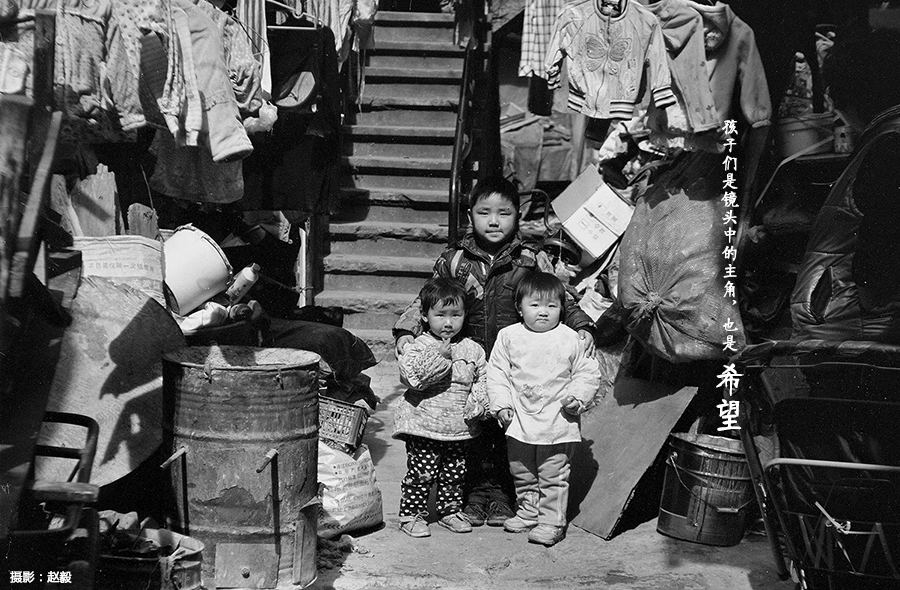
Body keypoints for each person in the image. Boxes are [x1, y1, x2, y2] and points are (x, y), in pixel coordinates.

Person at [393, 175, 596, 527]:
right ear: (470, 214)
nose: (493, 221)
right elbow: (428, 296)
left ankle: (503, 493)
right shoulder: (455, 260)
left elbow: (559, 296)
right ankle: (472, 494)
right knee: (471, 426)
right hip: (466, 357)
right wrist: (407, 328)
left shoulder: (530, 259)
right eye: (484, 212)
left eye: (503, 213)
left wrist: (582, 325)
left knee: (510, 427)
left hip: (517, 359)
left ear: (517, 215)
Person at [487, 272, 600, 546]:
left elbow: (588, 372)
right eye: (534, 305)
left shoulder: (571, 338)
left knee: (553, 474)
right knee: (522, 470)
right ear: (519, 307)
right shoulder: (508, 336)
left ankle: (552, 521)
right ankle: (528, 511)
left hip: (557, 420)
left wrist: (578, 397)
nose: (543, 312)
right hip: (520, 418)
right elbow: (497, 372)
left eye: (551, 306)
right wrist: (501, 404)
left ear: (562, 308)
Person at [393, 277, 489, 538]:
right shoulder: (417, 346)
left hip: (458, 427)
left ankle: (449, 511)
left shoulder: (473, 349)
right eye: (440, 315)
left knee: (454, 473)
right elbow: (413, 379)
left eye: (455, 315)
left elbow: (482, 380)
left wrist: (477, 404)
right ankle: (411, 515)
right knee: (422, 474)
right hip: (424, 425)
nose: (448, 322)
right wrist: (439, 358)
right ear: (424, 316)